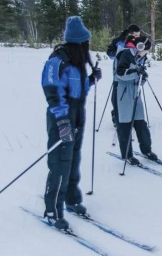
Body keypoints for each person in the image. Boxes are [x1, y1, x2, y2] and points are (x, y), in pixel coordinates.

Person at [41, 16, 102, 230]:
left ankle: (72, 199)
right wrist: (62, 120)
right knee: (60, 162)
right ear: (78, 42)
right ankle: (52, 209)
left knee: (74, 159)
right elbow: (52, 91)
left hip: (78, 115)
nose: (88, 46)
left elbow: (79, 89)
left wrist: (92, 79)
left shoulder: (78, 62)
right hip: (62, 117)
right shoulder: (58, 60)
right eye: (86, 42)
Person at [115, 35, 159, 165]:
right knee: (125, 126)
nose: (146, 53)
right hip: (124, 95)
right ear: (140, 47)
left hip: (135, 93)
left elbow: (137, 77)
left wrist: (142, 77)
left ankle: (147, 150)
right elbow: (120, 73)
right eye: (146, 50)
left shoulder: (138, 57)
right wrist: (136, 72)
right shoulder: (126, 54)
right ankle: (127, 154)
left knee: (141, 124)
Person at [107, 24, 141, 128]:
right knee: (117, 97)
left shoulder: (138, 42)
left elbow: (141, 56)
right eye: (135, 35)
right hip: (119, 73)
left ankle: (132, 117)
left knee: (133, 95)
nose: (137, 37)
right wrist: (119, 53)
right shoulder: (118, 40)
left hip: (133, 73)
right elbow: (110, 53)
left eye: (138, 35)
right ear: (129, 33)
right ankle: (116, 116)